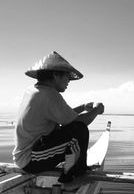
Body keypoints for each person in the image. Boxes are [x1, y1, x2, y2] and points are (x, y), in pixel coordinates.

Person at [12, 51, 105, 183]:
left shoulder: (35, 90)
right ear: (55, 75)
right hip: (31, 159)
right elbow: (80, 122)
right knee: (79, 131)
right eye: (67, 76)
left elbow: (63, 117)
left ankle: (74, 168)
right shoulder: (49, 95)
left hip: (26, 155)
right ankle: (71, 180)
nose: (68, 81)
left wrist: (83, 107)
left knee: (74, 128)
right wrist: (96, 110)